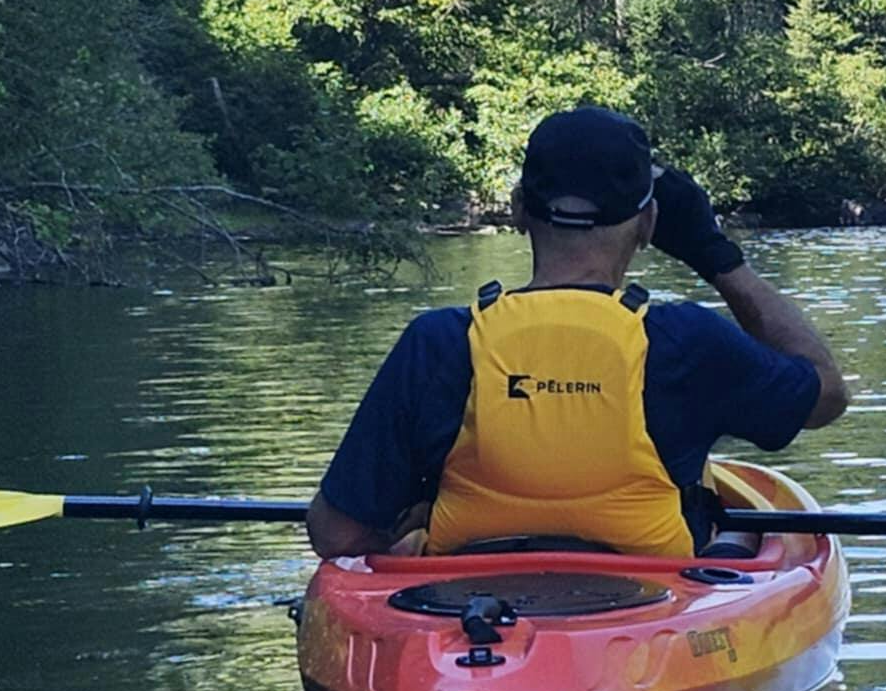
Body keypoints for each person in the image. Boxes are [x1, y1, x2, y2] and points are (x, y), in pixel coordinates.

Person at [307, 107, 852, 560]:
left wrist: (411, 531)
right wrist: (719, 259)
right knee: (741, 535)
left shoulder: (438, 342)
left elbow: (336, 534)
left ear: (519, 211)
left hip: (468, 612)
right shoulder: (688, 341)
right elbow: (827, 394)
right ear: (649, 224)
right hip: (650, 618)